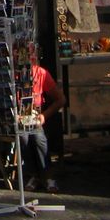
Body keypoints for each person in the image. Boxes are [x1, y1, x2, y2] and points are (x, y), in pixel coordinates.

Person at [19, 60, 67, 193]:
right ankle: (35, 175)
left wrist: (44, 116)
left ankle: (46, 175)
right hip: (18, 119)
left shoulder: (41, 73)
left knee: (39, 138)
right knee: (24, 136)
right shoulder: (13, 75)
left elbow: (61, 99)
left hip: (34, 117)